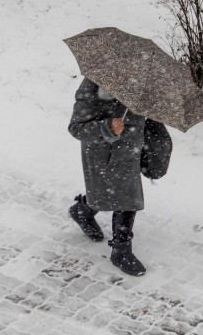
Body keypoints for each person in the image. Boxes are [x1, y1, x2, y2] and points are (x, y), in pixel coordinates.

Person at [67, 77, 172, 276]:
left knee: (124, 197)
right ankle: (121, 251)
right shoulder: (93, 84)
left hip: (130, 151)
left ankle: (83, 211)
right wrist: (105, 127)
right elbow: (76, 127)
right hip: (102, 155)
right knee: (119, 197)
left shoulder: (143, 85)